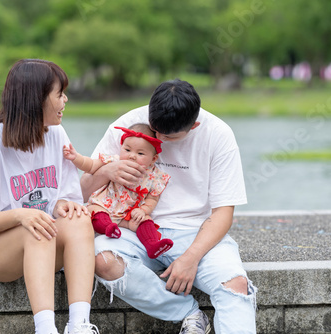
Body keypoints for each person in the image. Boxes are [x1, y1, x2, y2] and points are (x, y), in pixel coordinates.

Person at [81, 79, 257, 334]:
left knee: (236, 285)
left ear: (194, 125)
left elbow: (223, 213)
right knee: (103, 259)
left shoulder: (218, 134)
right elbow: (81, 193)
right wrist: (107, 171)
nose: (159, 140)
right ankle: (189, 314)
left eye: (169, 137)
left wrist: (191, 258)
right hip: (132, 230)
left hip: (194, 232)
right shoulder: (127, 125)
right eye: (155, 130)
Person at [0, 59, 100, 334]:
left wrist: (64, 205)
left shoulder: (56, 133)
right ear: (37, 98)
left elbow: (65, 196)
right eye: (59, 94)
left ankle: (79, 325)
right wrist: (22, 214)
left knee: (79, 219)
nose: (65, 100)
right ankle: (45, 329)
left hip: (39, 238)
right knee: (36, 227)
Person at [63, 123, 173, 259]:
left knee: (145, 220)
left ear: (153, 159)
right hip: (105, 206)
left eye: (140, 153)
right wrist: (76, 158)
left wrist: (143, 210)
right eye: (127, 150)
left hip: (129, 215)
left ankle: (152, 245)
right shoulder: (113, 161)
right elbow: (90, 165)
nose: (132, 156)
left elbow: (153, 198)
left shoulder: (154, 176)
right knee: (95, 210)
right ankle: (108, 228)